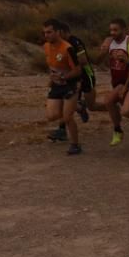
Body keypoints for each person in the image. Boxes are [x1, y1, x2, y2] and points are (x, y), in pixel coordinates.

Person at [42, 19, 83, 155]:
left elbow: (78, 70)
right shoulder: (46, 47)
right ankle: (77, 107)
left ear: (58, 32)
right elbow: (51, 65)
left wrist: (64, 77)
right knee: (51, 116)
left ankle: (75, 145)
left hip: (69, 84)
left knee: (67, 117)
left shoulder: (68, 48)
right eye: (45, 32)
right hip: (56, 85)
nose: (46, 35)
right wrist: (51, 79)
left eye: (49, 32)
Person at [99, 18, 129, 146]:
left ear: (123, 29)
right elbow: (98, 60)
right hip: (116, 80)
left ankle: (117, 130)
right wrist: (103, 51)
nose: (112, 32)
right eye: (111, 30)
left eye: (115, 30)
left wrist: (125, 59)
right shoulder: (109, 41)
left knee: (109, 101)